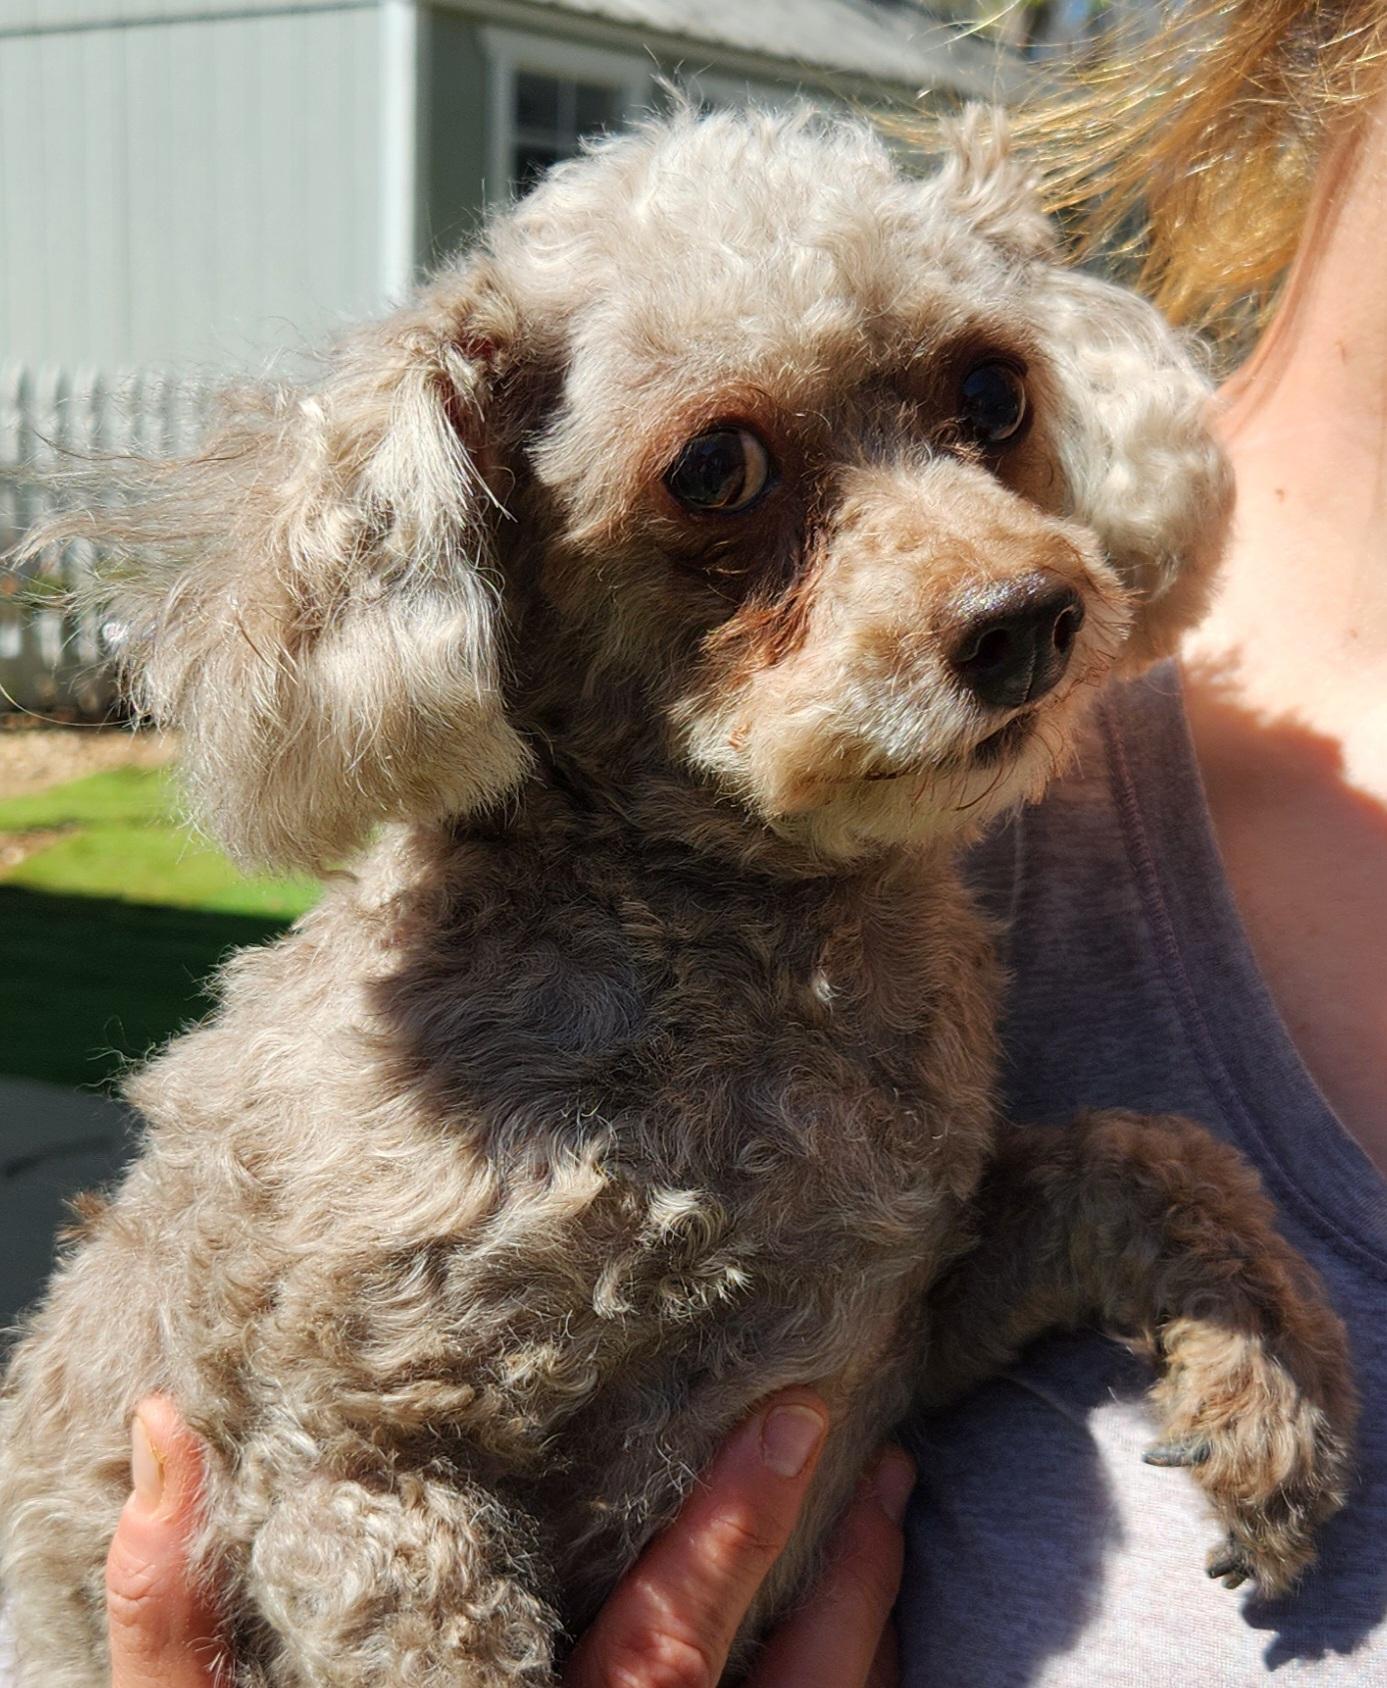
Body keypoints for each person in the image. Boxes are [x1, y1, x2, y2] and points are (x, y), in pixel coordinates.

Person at [93, 1, 1387, 1680]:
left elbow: (850, 1335)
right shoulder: (419, 1106)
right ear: (497, 545)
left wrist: (1140, 1211)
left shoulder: (911, 970)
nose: (989, 570)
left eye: (982, 406)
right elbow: (355, 1464)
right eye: (724, 480)